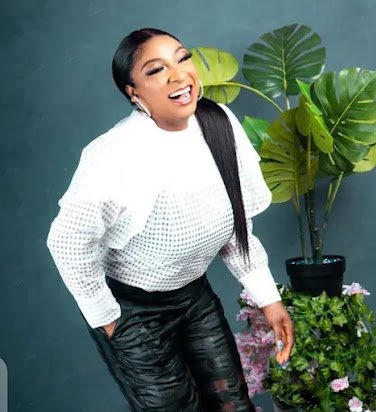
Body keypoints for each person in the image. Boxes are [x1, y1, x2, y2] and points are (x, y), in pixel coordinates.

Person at [47, 28, 294, 412]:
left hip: (194, 298)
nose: (178, 75)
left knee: (232, 402)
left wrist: (268, 298)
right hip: (132, 310)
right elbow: (66, 241)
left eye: (182, 59)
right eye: (156, 70)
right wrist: (106, 317)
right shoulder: (113, 154)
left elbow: (234, 230)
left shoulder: (218, 122)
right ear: (133, 92)